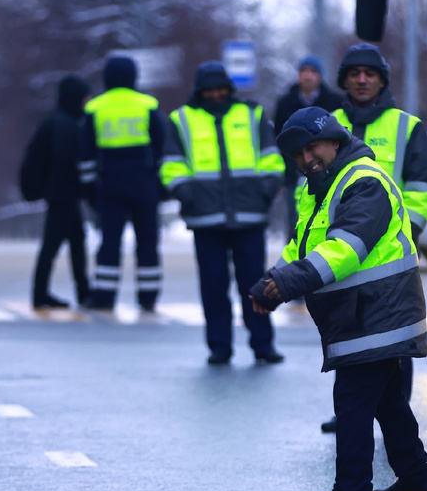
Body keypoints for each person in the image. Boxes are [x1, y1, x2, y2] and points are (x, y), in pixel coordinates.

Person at [250, 107, 427, 491]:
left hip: (376, 313)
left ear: (335, 141)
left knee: (352, 402)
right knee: (387, 400)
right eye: (298, 154)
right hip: (367, 314)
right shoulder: (321, 187)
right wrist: (272, 279)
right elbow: (302, 246)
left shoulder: (364, 181)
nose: (306, 159)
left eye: (312, 148)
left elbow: (345, 250)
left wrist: (285, 284)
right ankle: (417, 475)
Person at [318, 43, 427, 432]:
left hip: (389, 256)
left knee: (393, 338)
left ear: (382, 79)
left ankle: (393, 416)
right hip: (341, 253)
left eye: (369, 73)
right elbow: (311, 190)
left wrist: (409, 232)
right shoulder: (325, 122)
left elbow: (422, 188)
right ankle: (350, 412)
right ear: (344, 80)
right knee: (346, 333)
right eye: (354, 73)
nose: (362, 79)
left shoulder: (407, 126)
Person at [161, 61, 285, 365]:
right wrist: (186, 194)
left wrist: (265, 191)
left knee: (256, 285)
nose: (216, 95)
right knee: (213, 285)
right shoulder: (181, 119)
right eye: (209, 90)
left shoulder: (252, 115)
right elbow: (170, 163)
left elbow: (272, 158)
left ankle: (263, 344)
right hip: (205, 218)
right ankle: (219, 346)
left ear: (229, 89)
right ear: (200, 92)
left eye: (221, 89)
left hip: (249, 215)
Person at [79, 56, 164, 311]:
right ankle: (148, 296)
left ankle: (104, 296)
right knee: (147, 241)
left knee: (110, 243)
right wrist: (160, 185)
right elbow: (161, 147)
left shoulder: (95, 108)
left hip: (110, 185)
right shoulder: (148, 105)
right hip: (144, 183)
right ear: (133, 77)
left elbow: (85, 155)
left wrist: (90, 190)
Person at [21, 74, 92, 309]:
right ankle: (45, 294)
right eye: (84, 98)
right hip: (63, 195)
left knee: (74, 243)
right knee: (55, 245)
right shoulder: (65, 125)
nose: (87, 103)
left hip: (62, 194)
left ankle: (78, 291)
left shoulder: (56, 121)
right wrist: (85, 182)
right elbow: (66, 162)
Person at [272, 55, 343, 238]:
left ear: (319, 76)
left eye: (312, 71)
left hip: (327, 171)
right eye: (304, 71)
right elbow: (277, 140)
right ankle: (294, 262)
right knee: (295, 222)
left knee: (328, 217)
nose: (308, 76)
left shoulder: (335, 102)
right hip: (293, 172)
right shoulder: (285, 103)